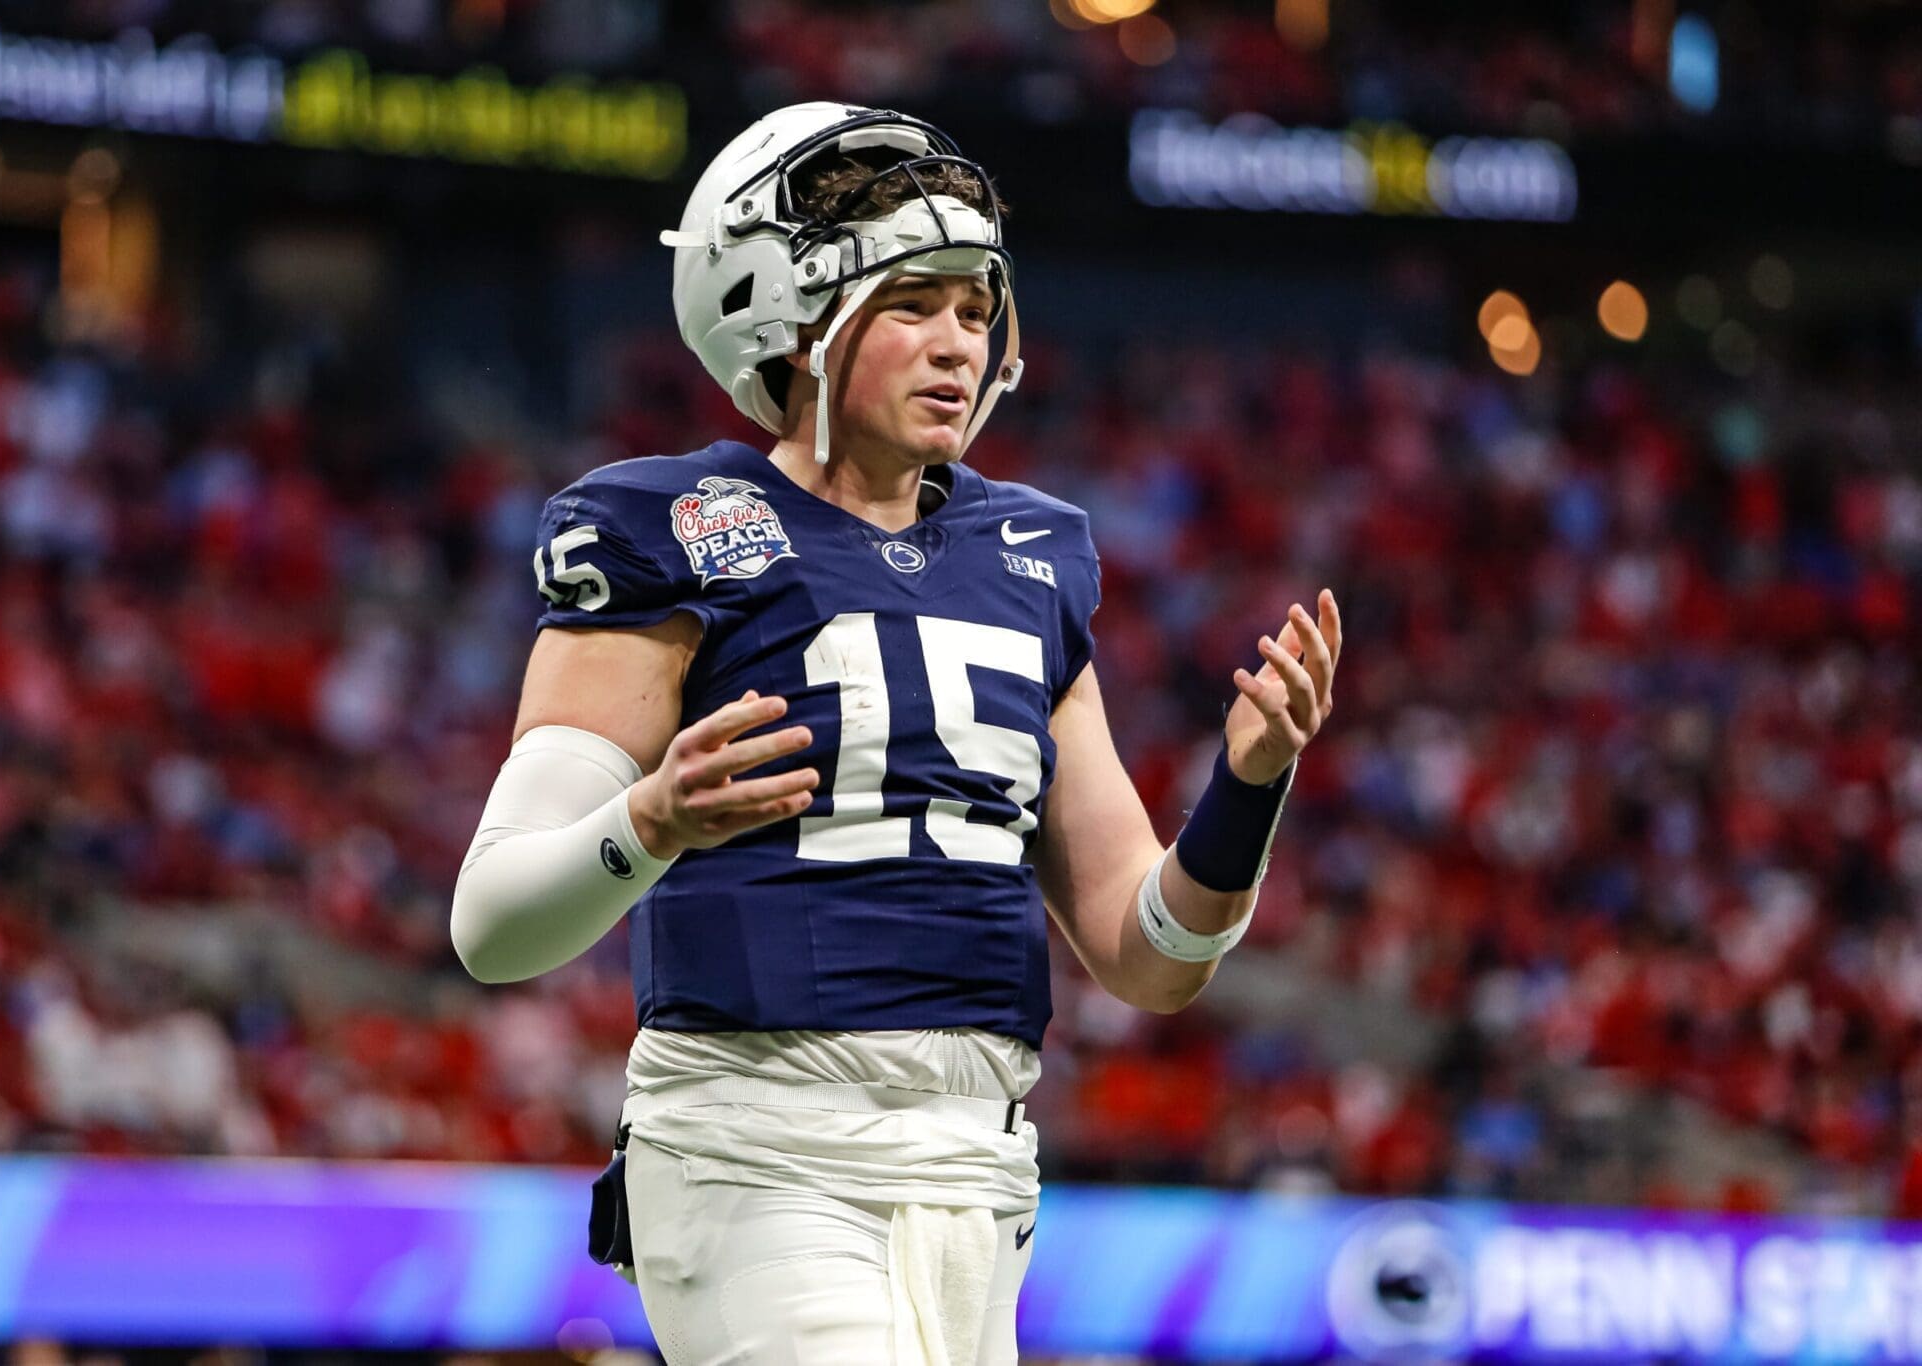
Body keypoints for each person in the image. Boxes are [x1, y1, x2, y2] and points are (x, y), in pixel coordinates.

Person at [450, 102, 1342, 1366]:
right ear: (787, 312)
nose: (956, 345)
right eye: (914, 303)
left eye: (976, 312)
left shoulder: (1033, 553)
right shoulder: (665, 524)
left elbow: (1147, 956)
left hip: (978, 1166)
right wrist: (647, 823)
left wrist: (1248, 786)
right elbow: (491, 923)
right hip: (758, 1142)